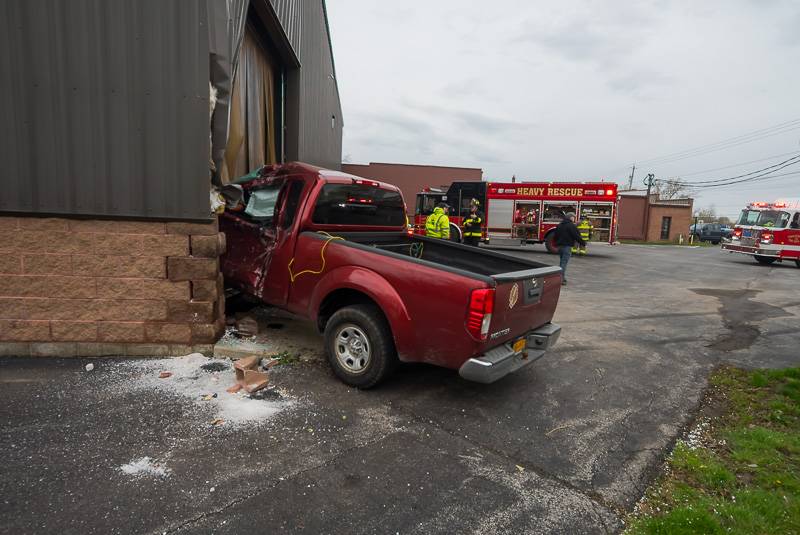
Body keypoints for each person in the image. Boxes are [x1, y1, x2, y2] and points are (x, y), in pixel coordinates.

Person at [554, 212, 585, 285]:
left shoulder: (559, 225)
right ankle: (561, 279)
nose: (574, 219)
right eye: (574, 217)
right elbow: (576, 236)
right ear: (571, 217)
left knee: (562, 262)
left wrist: (557, 244)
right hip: (567, 247)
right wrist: (583, 243)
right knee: (563, 264)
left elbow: (555, 236)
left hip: (560, 246)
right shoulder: (571, 226)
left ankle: (561, 278)